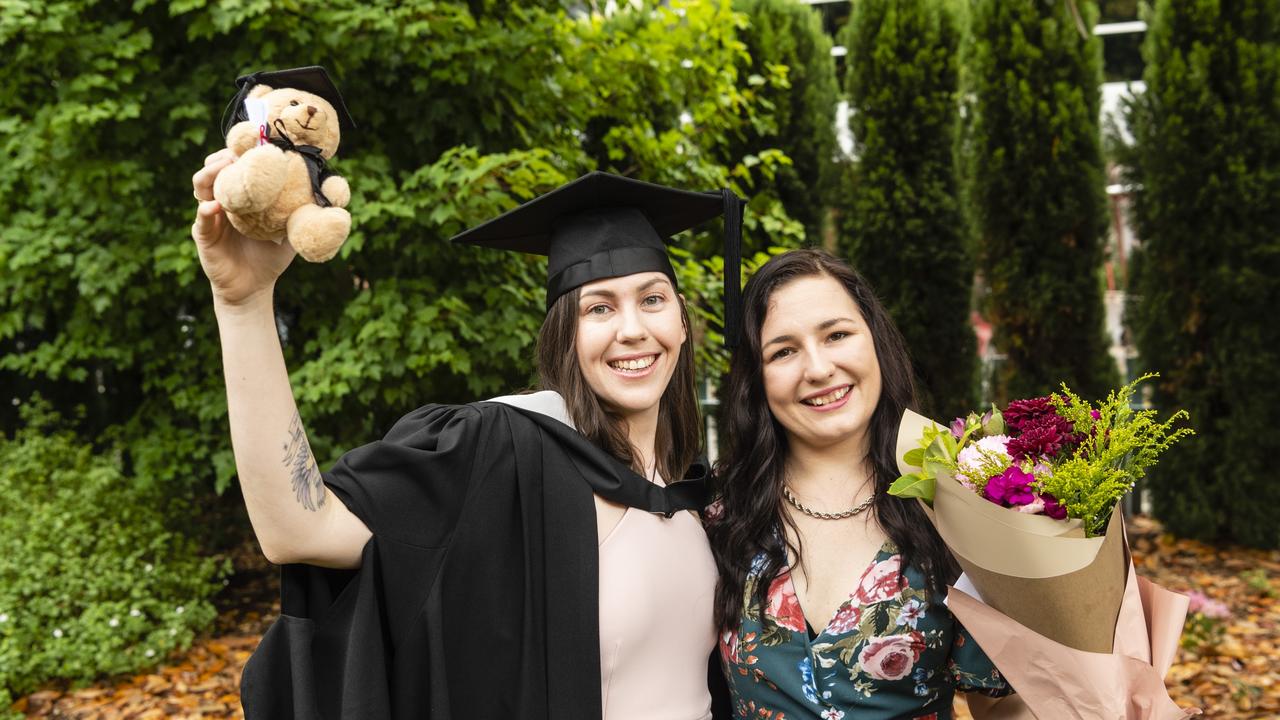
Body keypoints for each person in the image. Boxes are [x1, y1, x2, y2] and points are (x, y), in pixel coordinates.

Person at [192, 72, 744, 718]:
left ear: (681, 320)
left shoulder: (698, 497)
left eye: (652, 299)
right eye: (598, 308)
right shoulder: (507, 461)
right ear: (566, 335)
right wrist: (245, 304)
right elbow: (298, 528)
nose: (632, 329)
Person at [707, 249, 1011, 719]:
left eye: (837, 335)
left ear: (875, 341)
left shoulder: (955, 503)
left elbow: (1006, 707)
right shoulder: (718, 517)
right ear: (756, 378)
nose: (818, 368)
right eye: (783, 351)